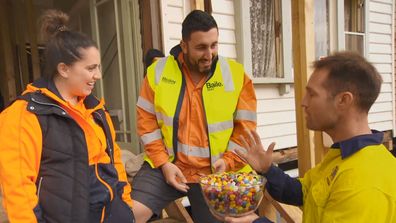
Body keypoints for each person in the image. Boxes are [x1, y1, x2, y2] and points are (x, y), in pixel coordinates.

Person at [225, 52, 396, 223]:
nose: (303, 102)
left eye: (312, 94)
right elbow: (303, 192)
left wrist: (254, 222)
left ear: (343, 100)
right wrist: (267, 170)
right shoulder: (343, 156)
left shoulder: (363, 182)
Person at [0, 10, 135, 223]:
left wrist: (125, 207)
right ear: (63, 69)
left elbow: (115, 161)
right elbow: (18, 189)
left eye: (98, 67)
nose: (98, 75)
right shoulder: (23, 115)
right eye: (91, 68)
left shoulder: (97, 110)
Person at [132, 10, 257, 223]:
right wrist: (163, 163)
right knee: (128, 214)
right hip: (167, 166)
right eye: (200, 47)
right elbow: (147, 123)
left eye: (214, 45)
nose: (209, 54)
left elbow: (245, 129)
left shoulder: (236, 75)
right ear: (184, 45)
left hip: (216, 173)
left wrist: (227, 162)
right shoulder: (157, 72)